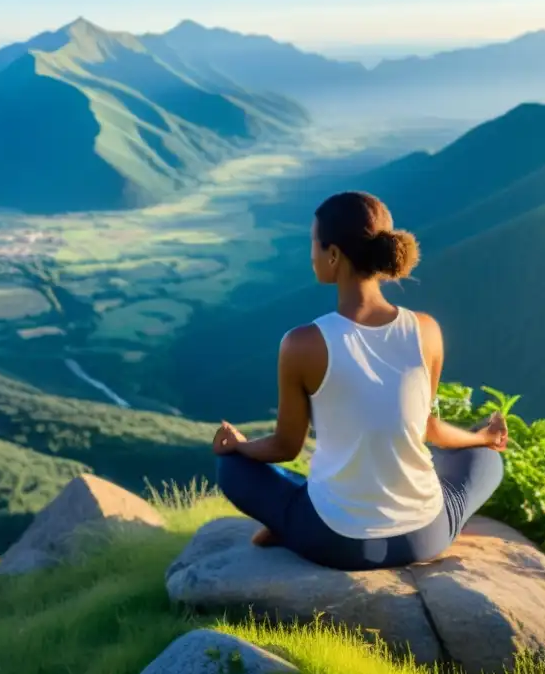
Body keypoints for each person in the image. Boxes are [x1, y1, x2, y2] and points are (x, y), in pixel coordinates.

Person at [212, 190, 508, 571]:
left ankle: (289, 522)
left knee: (232, 468)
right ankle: (294, 517)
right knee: (489, 463)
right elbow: (428, 428)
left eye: (314, 245)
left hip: (335, 542)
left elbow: (286, 448)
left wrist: (239, 446)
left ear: (333, 254)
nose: (311, 255)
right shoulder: (427, 330)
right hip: (424, 537)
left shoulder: (302, 343)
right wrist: (483, 439)